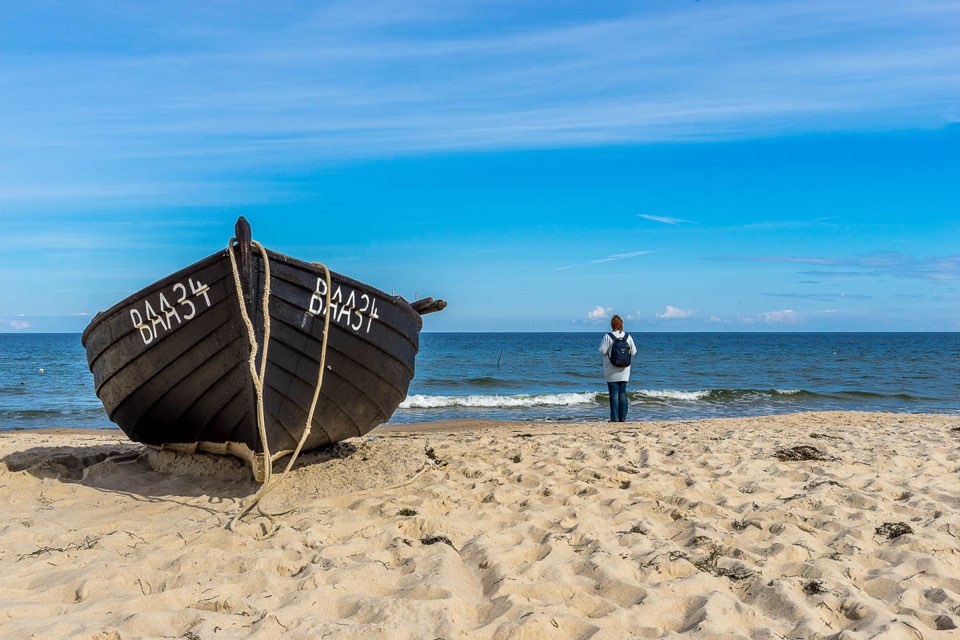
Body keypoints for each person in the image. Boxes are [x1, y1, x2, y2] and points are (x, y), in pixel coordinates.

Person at [599, 315, 637, 422]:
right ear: (621, 325)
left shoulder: (608, 336)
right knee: (622, 393)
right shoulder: (628, 337)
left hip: (611, 369)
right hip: (624, 369)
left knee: (613, 394)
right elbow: (634, 352)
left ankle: (614, 418)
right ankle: (623, 418)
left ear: (612, 325)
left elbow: (602, 351)